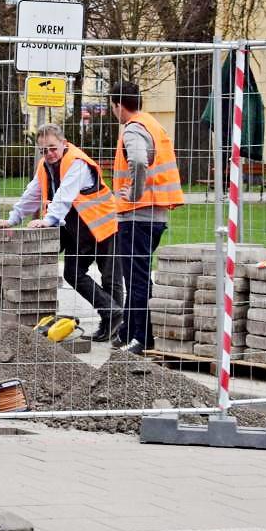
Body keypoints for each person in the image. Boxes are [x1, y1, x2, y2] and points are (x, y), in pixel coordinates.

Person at [0, 124, 123, 342]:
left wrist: (48, 220)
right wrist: (13, 218)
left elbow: (64, 195)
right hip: (79, 227)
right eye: (43, 150)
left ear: (63, 143)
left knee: (110, 278)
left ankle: (114, 327)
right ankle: (111, 313)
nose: (48, 153)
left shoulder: (76, 162)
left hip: (101, 225)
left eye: (52, 148)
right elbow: (33, 192)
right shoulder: (45, 166)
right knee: (73, 273)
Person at [108, 81, 185, 355]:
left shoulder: (133, 128)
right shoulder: (152, 123)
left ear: (118, 105)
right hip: (155, 214)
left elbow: (139, 161)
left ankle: (141, 339)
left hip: (138, 216)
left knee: (137, 279)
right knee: (138, 276)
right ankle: (130, 331)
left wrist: (134, 193)